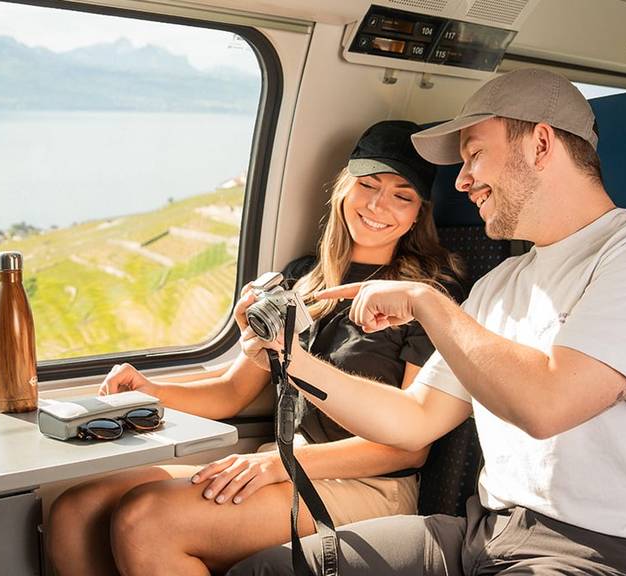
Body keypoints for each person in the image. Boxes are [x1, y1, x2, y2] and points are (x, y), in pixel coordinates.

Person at [229, 68, 626, 576]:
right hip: (484, 533)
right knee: (267, 570)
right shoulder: (501, 282)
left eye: (474, 155)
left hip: (607, 552)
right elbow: (412, 420)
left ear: (540, 143)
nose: (462, 180)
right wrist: (288, 356)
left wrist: (428, 303)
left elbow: (547, 405)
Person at [46, 120, 466, 576]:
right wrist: (147, 390)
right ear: (345, 188)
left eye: (402, 195)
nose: (378, 205)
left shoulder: (426, 294)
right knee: (76, 511)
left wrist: (275, 466)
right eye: (367, 185)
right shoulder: (304, 278)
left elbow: (408, 449)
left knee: (149, 518)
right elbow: (232, 391)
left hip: (368, 481)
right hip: (281, 458)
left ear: (418, 212)